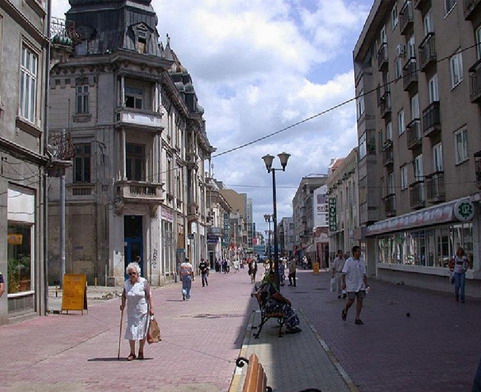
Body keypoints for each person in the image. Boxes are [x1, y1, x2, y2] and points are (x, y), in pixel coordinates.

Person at [120, 262, 154, 361]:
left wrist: (152, 308)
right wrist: (122, 305)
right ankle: (132, 352)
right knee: (131, 331)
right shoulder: (126, 283)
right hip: (131, 311)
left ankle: (141, 351)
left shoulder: (144, 282)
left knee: (142, 332)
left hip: (142, 311)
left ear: (137, 273)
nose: (132, 276)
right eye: (129, 274)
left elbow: (149, 295)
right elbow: (123, 295)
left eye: (133, 273)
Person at [341, 245, 369, 325]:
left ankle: (357, 318)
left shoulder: (361, 261)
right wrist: (344, 283)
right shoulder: (349, 261)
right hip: (351, 285)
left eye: (360, 251)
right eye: (357, 251)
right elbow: (343, 273)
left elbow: (364, 274)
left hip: (360, 285)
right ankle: (345, 309)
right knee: (351, 300)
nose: (359, 253)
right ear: (354, 252)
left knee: (360, 301)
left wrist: (366, 284)